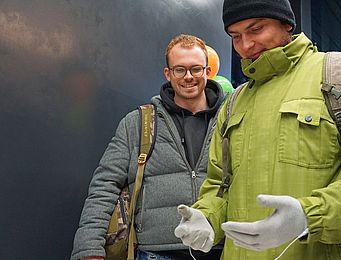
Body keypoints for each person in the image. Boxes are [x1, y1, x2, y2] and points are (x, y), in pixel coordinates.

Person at [174, 0, 341, 259]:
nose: (245, 45)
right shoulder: (233, 104)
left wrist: (309, 217)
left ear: (286, 23)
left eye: (256, 29)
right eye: (236, 36)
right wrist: (206, 216)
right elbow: (220, 185)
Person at [71, 34, 225, 260]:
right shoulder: (138, 123)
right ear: (168, 73)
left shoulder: (230, 119)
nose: (188, 77)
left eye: (196, 69)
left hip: (219, 249)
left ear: (207, 71)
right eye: (180, 70)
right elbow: (104, 186)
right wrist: (88, 249)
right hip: (155, 252)